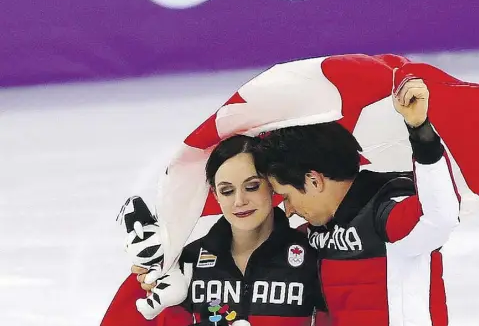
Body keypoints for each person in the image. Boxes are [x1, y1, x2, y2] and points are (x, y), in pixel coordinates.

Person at [252, 77, 460, 326]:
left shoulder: (386, 211)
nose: (289, 209)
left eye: (287, 196)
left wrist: (421, 133)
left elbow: (438, 218)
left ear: (314, 181)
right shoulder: (309, 235)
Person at [102, 135, 327, 326]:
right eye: (227, 191)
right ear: (215, 195)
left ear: (272, 185)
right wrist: (145, 285)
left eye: (251, 186)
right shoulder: (186, 262)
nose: (240, 201)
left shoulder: (312, 254)